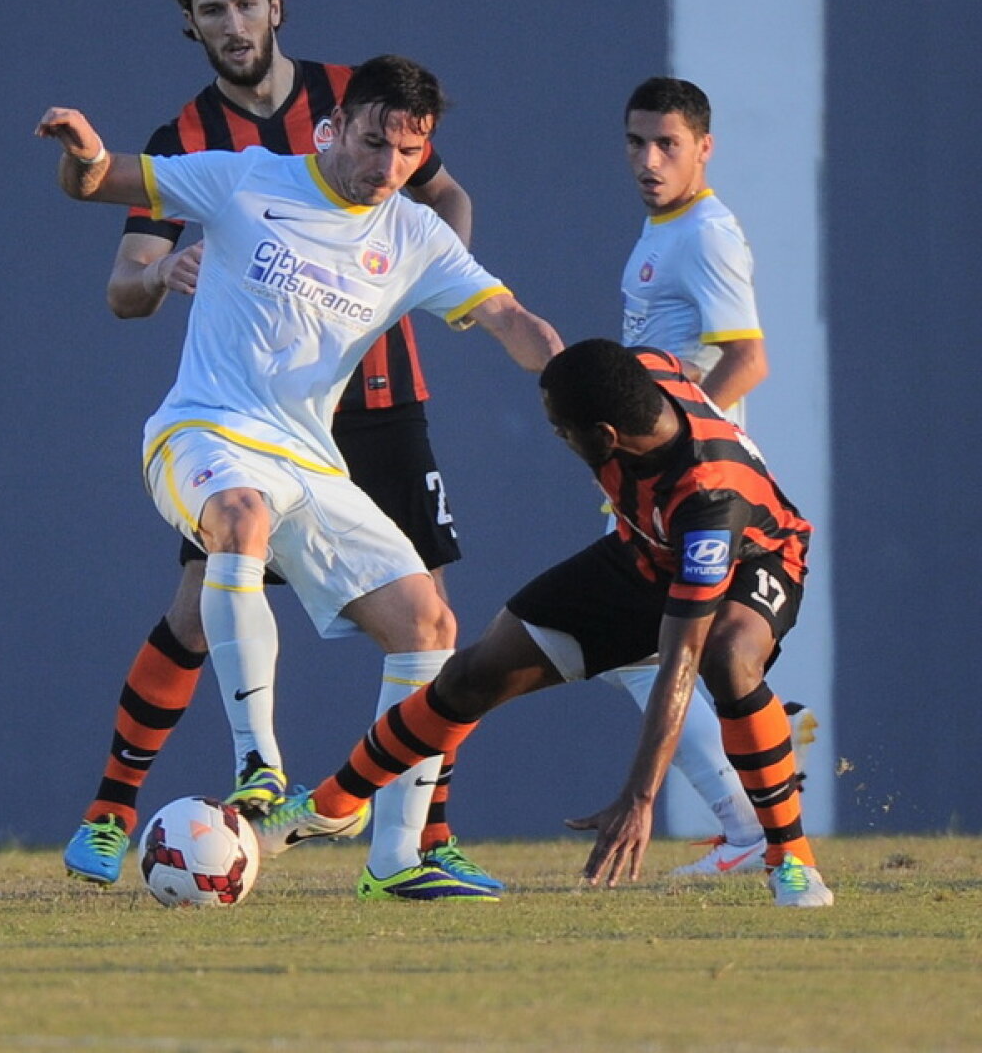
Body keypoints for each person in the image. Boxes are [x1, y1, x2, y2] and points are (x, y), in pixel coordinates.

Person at [36, 54, 564, 901]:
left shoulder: (413, 235)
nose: (386, 167)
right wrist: (85, 153)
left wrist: (574, 380)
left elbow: (508, 317)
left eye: (407, 152)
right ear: (332, 129)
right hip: (203, 430)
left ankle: (396, 861)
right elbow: (98, 182)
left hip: (312, 461)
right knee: (237, 518)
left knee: (428, 623)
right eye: (372, 142)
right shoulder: (244, 180)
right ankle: (259, 768)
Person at [254, 339, 833, 908]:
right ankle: (330, 807)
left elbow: (679, 659)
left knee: (727, 658)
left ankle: (793, 860)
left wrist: (639, 796)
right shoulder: (643, 373)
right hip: (644, 556)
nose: (557, 434)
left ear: (606, 436)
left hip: (757, 559)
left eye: (562, 427)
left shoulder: (707, 501)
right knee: (471, 677)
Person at [600, 76, 815, 877]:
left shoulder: (706, 233)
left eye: (668, 144)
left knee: (644, 651)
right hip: (651, 484)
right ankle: (749, 803)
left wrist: (677, 450)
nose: (648, 160)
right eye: (635, 142)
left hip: (684, 490)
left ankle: (747, 821)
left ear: (704, 148)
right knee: (649, 653)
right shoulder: (666, 227)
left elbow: (748, 357)